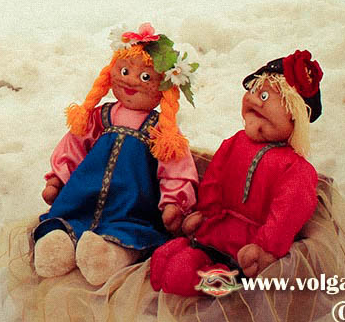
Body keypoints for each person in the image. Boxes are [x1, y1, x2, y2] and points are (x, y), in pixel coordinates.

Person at [34, 24, 198, 286]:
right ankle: (62, 241)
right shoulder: (103, 115)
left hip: (132, 204)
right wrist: (57, 177)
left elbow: (175, 167)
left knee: (129, 229)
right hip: (83, 195)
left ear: (164, 86)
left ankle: (113, 252)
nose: (131, 80)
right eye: (124, 71)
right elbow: (74, 143)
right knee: (70, 218)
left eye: (145, 77)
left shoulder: (160, 128)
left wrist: (174, 203)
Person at [150, 51, 323, 295]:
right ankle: (194, 260)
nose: (255, 100)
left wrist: (265, 248)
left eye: (265, 96)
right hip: (216, 228)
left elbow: (286, 212)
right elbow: (214, 180)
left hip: (245, 247)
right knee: (163, 258)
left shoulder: (295, 168)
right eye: (253, 91)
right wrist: (206, 213)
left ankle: (221, 281)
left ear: (294, 115)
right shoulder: (235, 142)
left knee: (184, 275)